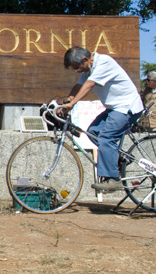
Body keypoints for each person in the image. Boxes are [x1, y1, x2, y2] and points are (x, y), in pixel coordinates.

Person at [60, 46, 143, 192]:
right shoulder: (89, 68)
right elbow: (79, 85)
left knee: (106, 137)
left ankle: (113, 179)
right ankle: (116, 159)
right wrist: (68, 100)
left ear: (86, 60)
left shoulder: (104, 62)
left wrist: (74, 103)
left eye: (77, 68)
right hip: (114, 109)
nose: (78, 71)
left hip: (126, 107)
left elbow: (89, 85)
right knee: (93, 131)